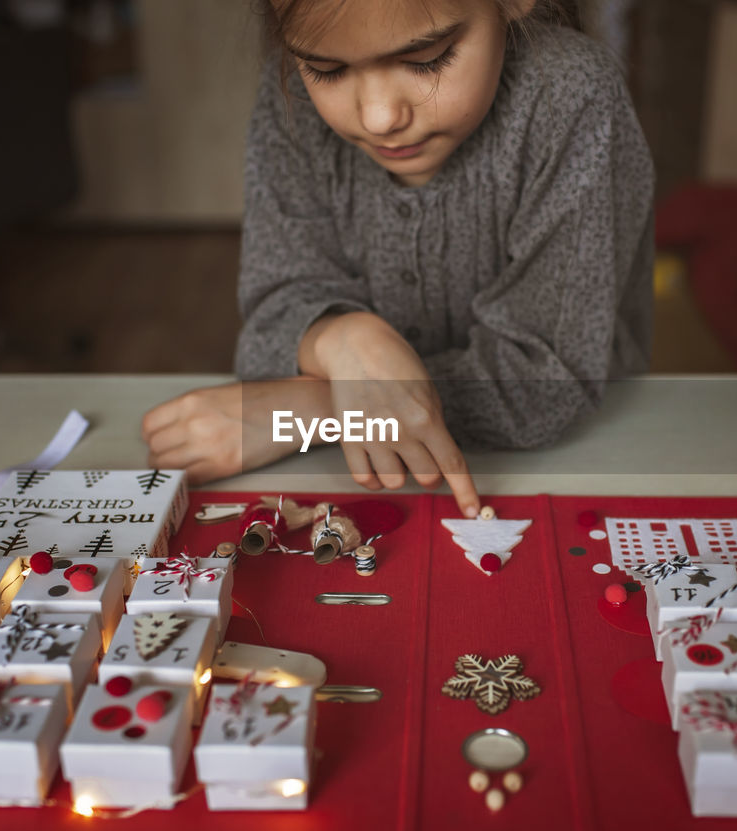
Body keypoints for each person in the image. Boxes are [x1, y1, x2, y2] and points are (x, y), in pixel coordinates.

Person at [142, 0, 654, 518]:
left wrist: (310, 414)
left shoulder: (572, 96)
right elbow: (276, 310)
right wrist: (342, 339)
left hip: (581, 458)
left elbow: (550, 378)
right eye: (328, 69)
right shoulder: (290, 102)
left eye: (426, 59)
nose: (380, 116)